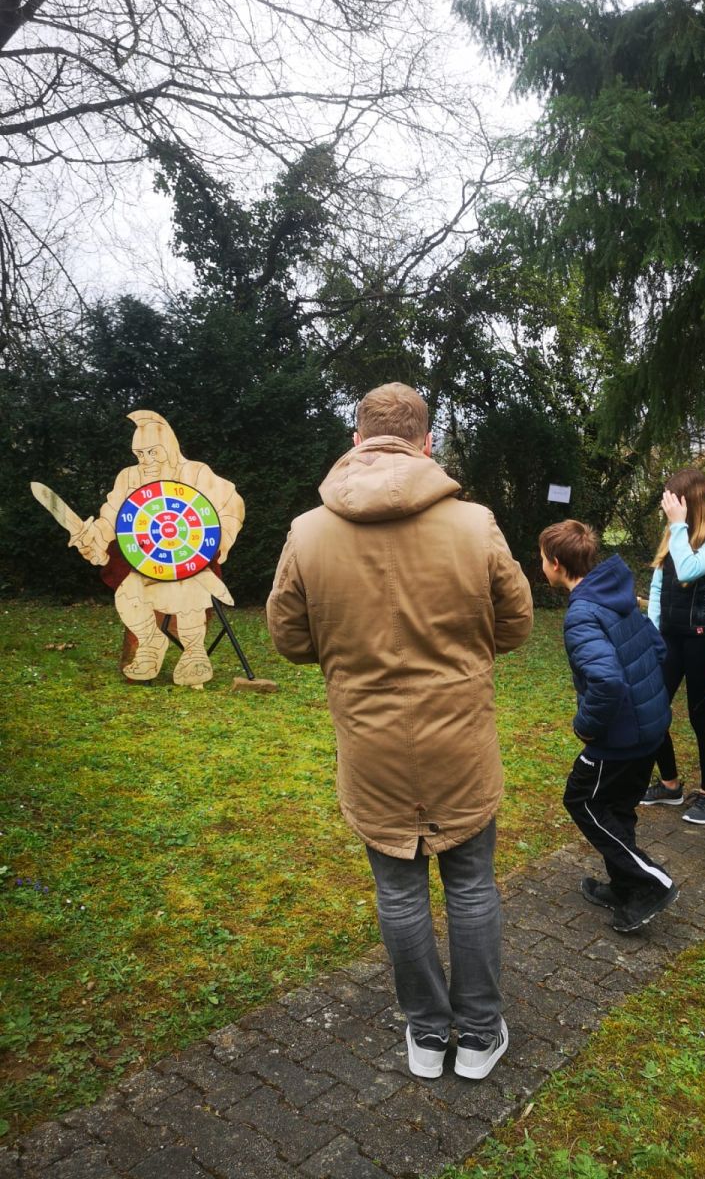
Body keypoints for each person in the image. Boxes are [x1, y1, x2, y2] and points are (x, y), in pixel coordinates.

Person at [266, 383, 533, 1081]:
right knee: (471, 885)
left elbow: (289, 639)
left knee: (399, 892)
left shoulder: (308, 531)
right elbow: (516, 624)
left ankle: (427, 1033)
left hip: (371, 742)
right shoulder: (474, 524)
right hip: (459, 740)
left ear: (357, 441)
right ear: (426, 442)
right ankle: (479, 1037)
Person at [539, 519, 679, 932]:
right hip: (650, 727)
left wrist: (586, 726)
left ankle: (651, 882)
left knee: (582, 800)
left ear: (557, 563)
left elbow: (606, 681)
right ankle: (625, 888)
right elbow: (657, 647)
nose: (540, 565)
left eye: (542, 558)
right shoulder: (615, 593)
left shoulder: (583, 613)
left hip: (619, 738)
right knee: (617, 808)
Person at [71, 410, 244, 684]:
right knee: (128, 594)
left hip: (188, 562)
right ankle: (150, 644)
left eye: (153, 452)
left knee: (191, 591)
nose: (146, 460)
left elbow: (230, 506)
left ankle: (194, 653)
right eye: (139, 454)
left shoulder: (196, 472)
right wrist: (94, 538)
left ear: (169, 447)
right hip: (144, 563)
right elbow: (111, 518)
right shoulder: (128, 477)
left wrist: (220, 539)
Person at [641, 468, 705, 825]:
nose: (667, 508)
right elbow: (659, 584)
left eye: (672, 501)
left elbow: (690, 569)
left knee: (700, 716)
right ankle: (670, 784)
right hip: (670, 636)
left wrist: (677, 525)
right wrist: (653, 632)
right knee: (652, 711)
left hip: (703, 638)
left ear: (689, 501)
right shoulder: (674, 533)